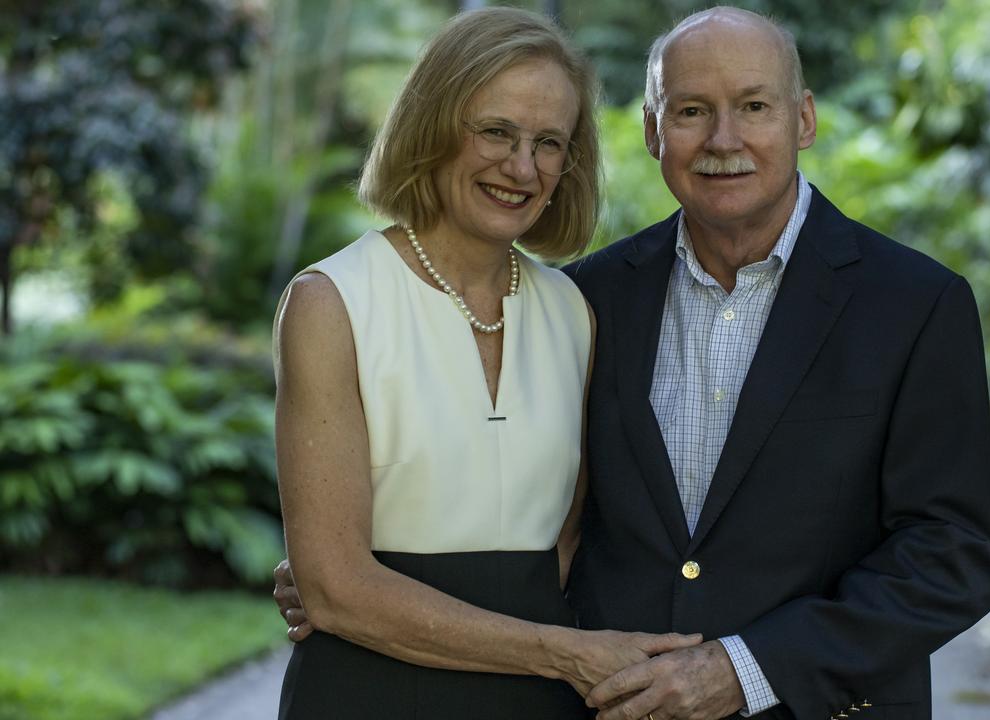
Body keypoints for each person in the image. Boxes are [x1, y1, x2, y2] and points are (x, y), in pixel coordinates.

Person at [277, 7, 990, 720]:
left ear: (804, 119)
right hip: (596, 703)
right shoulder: (595, 299)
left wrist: (745, 669)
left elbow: (953, 555)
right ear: (654, 129)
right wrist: (357, 576)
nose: (724, 140)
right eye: (691, 111)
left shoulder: (914, 303)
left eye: (753, 106)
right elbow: (563, 523)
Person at [270, 7, 701, 719]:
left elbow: (568, 541)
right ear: (433, 126)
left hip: (538, 703)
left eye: (549, 143)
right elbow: (335, 588)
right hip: (369, 695)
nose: (522, 167)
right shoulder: (334, 302)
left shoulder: (573, 312)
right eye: (496, 132)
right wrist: (561, 651)